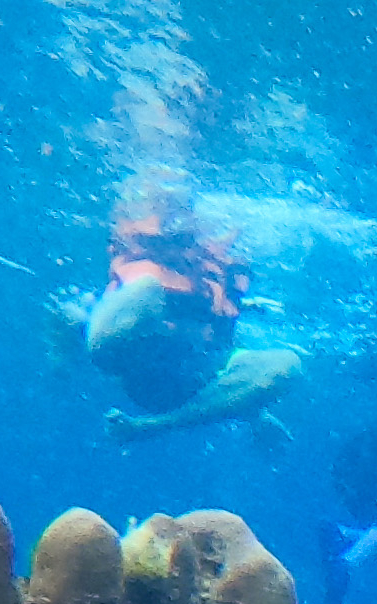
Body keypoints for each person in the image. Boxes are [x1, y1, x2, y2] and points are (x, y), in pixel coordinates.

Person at [82, 186, 301, 441]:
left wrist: (253, 408)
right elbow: (69, 314)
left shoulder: (222, 269)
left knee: (287, 364)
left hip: (191, 382)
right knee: (146, 287)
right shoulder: (148, 253)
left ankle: (146, 427)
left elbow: (224, 335)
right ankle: (98, 354)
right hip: (134, 364)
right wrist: (60, 359)